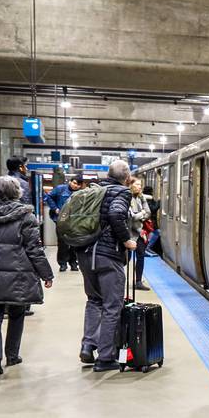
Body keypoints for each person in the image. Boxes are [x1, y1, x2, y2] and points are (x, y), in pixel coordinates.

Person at [0, 176, 54, 376]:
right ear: (17, 193)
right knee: (17, 313)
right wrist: (46, 274)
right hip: (19, 273)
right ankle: (12, 355)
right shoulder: (26, 216)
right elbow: (34, 249)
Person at [78, 159, 137, 372]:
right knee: (113, 306)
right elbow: (115, 214)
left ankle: (88, 345)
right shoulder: (122, 192)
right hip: (107, 255)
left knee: (94, 300)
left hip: (85, 254)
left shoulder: (96, 190)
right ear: (127, 177)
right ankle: (105, 357)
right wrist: (126, 240)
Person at [45, 174, 85, 272]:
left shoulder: (81, 193)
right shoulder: (60, 189)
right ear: (70, 181)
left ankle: (73, 263)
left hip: (74, 221)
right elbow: (48, 197)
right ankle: (62, 263)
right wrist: (55, 209)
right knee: (62, 243)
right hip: (61, 221)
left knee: (74, 243)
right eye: (75, 183)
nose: (76, 186)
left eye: (78, 185)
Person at [128, 177, 151, 291]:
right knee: (125, 259)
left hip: (140, 233)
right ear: (131, 185)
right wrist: (141, 214)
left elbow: (148, 212)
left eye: (140, 185)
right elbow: (131, 217)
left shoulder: (141, 197)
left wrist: (140, 214)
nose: (140, 187)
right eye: (137, 184)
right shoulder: (127, 197)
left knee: (141, 256)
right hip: (129, 233)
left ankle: (138, 281)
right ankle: (120, 280)